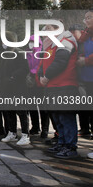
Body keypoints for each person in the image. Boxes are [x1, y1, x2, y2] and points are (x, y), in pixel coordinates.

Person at [38, 24, 79, 159]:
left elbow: (61, 61)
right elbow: (43, 62)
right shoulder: (49, 45)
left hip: (65, 85)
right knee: (57, 117)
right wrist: (40, 75)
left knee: (65, 117)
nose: (45, 31)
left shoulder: (65, 40)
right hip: (52, 86)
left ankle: (70, 146)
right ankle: (61, 143)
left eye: (49, 28)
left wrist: (46, 75)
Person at [0, 31, 30, 145]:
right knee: (9, 111)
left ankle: (25, 135)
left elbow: (25, 68)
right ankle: (12, 132)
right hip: (6, 88)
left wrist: (13, 77)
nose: (3, 43)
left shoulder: (20, 53)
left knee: (21, 112)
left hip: (18, 88)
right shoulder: (3, 54)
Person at [76, 9, 93, 159]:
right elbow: (79, 49)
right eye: (85, 18)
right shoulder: (86, 35)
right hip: (87, 79)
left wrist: (86, 61)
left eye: (89, 17)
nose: (86, 20)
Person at [27, 35, 49, 138]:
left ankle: (45, 129)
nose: (31, 43)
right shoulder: (28, 52)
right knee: (32, 106)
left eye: (33, 41)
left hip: (40, 82)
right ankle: (35, 127)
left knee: (42, 107)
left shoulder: (41, 52)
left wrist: (33, 71)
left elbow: (42, 65)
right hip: (31, 82)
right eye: (30, 41)